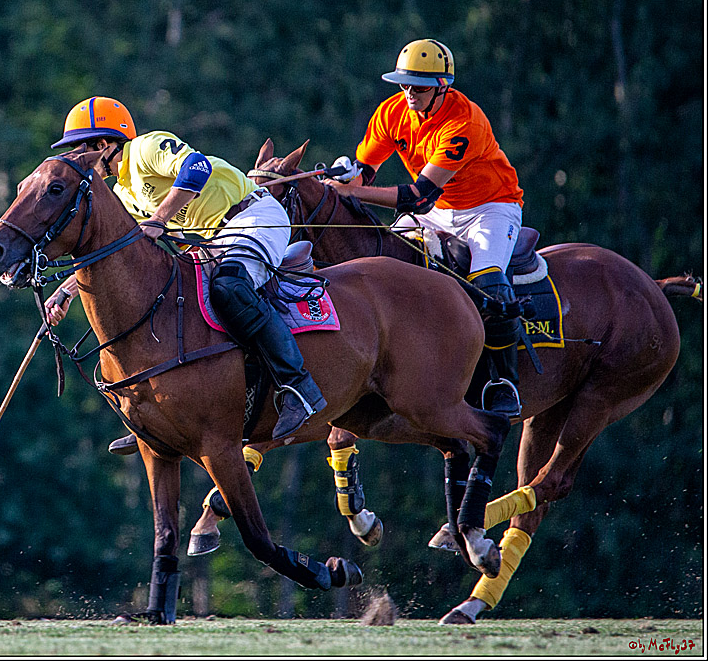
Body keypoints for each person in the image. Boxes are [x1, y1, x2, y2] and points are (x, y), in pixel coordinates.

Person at [42, 96, 327, 442]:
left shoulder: (145, 149)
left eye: (77, 150)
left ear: (103, 144)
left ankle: (298, 386)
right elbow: (113, 254)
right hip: (213, 240)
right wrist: (65, 292)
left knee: (229, 287)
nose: (75, 160)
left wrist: (159, 219)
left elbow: (198, 168)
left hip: (254, 216)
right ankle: (158, 410)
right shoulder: (121, 192)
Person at [328, 39, 524, 417]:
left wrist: (352, 192)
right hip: (440, 210)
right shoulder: (392, 112)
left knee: (489, 283)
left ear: (442, 86)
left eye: (418, 87)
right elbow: (366, 169)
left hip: (490, 207)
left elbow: (418, 196)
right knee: (383, 267)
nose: (409, 93)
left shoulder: (463, 121)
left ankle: (503, 381)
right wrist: (345, 178)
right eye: (403, 84)